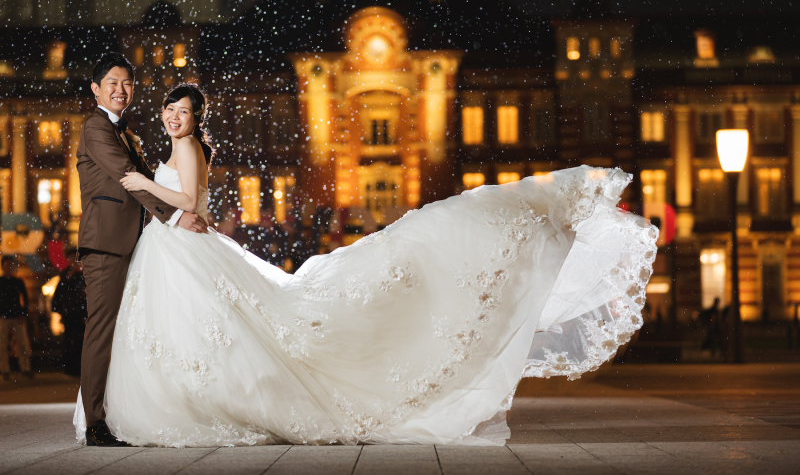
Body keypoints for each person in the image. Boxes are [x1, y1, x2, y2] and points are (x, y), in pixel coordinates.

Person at [73, 83, 658, 447]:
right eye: (169, 109)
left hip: (182, 241)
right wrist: (157, 191)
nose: (172, 116)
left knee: (215, 328)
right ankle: (175, 402)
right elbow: (186, 204)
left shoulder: (181, 148)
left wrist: (148, 183)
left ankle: (191, 404)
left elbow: (192, 202)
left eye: (181, 110)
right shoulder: (163, 141)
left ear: (196, 119)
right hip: (176, 246)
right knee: (200, 329)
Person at [76, 53, 209, 447]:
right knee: (101, 330)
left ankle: (118, 413)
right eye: (112, 83)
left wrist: (180, 207)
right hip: (105, 245)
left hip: (133, 243)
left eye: (127, 84)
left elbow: (150, 180)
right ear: (96, 88)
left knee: (127, 332)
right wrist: (174, 216)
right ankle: (95, 422)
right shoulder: (96, 128)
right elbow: (127, 179)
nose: (120, 90)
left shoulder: (126, 132)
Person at [51, 250, 87, 377]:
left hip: (80, 313)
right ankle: (69, 367)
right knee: (69, 340)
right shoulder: (65, 275)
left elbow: (85, 294)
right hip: (69, 313)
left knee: (80, 340)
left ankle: (79, 367)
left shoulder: (84, 274)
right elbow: (60, 293)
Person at [0, 256, 33, 381]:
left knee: (23, 344)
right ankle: (5, 370)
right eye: (6, 265)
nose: (8, 267)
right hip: (3, 317)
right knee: (2, 346)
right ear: (3, 266)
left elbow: (25, 298)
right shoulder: (1, 281)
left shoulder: (18, 281)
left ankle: (25, 368)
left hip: (17, 316)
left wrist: (23, 314)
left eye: (10, 265)